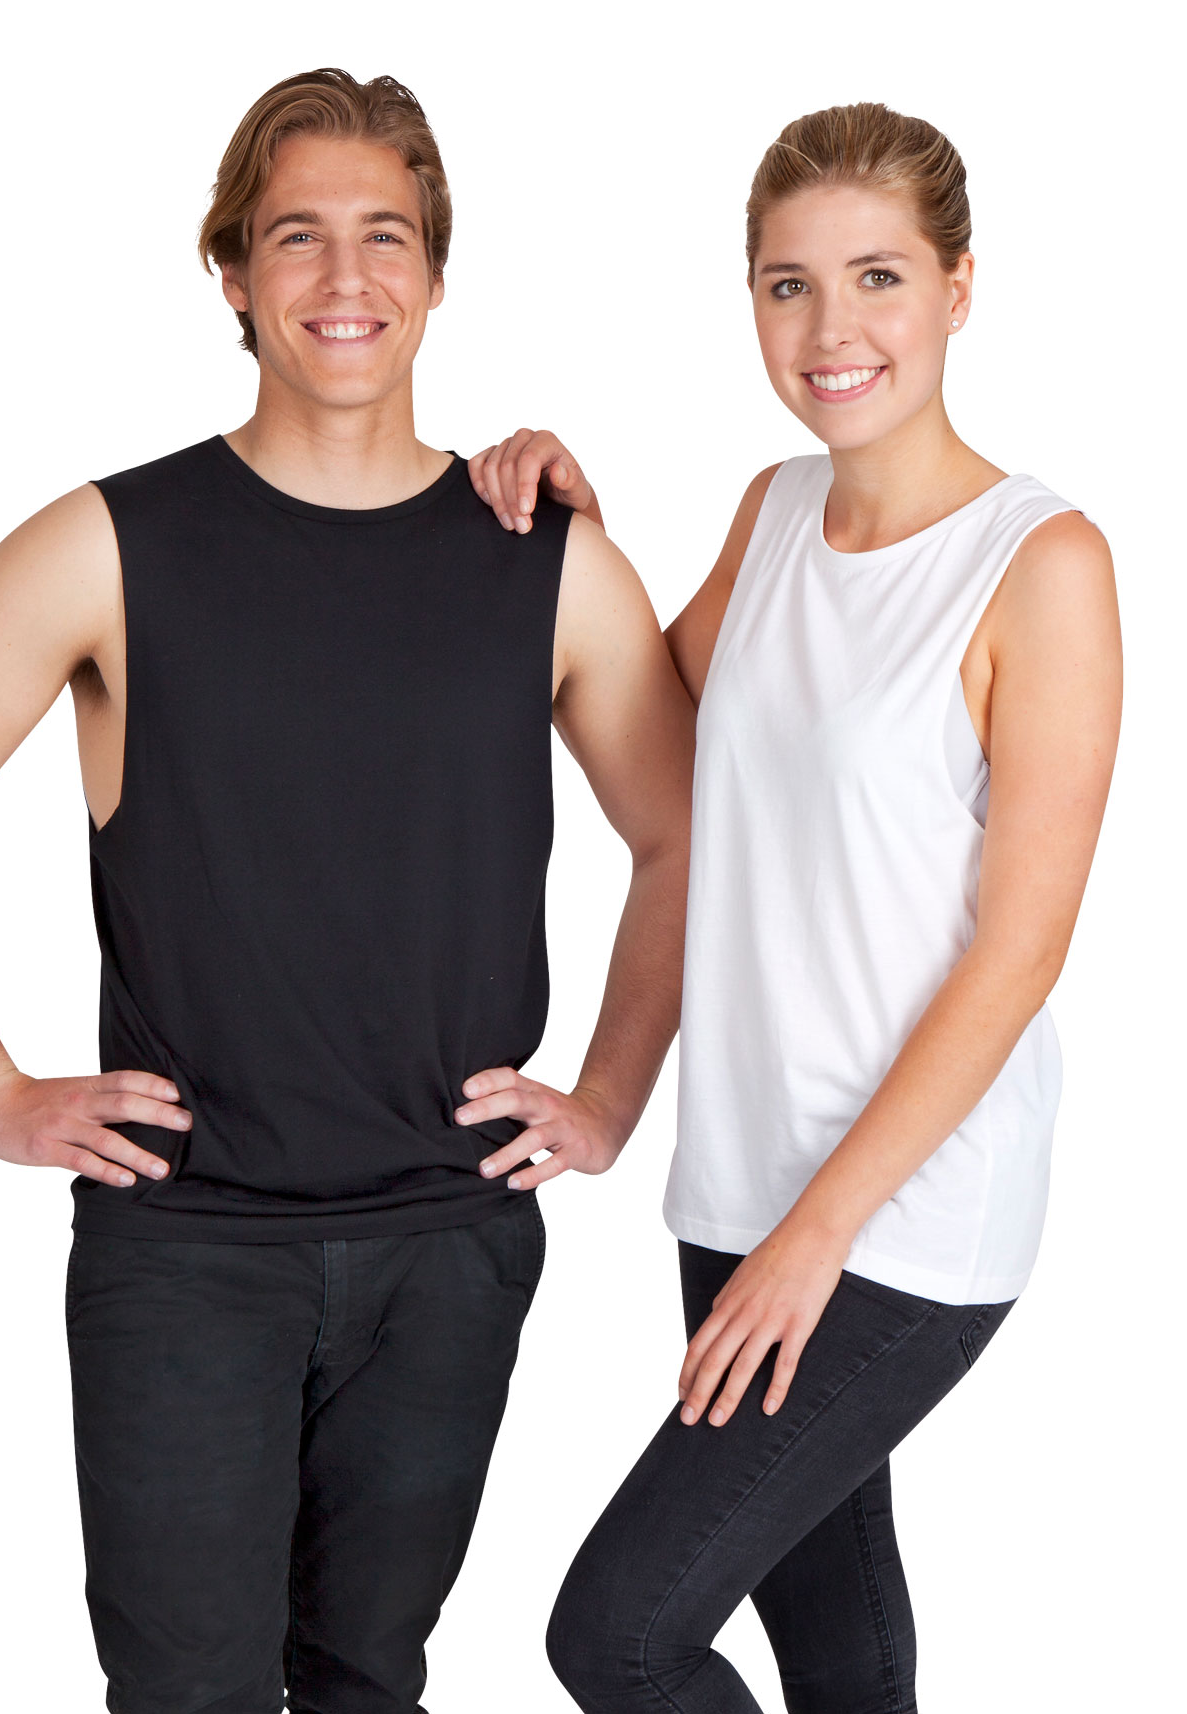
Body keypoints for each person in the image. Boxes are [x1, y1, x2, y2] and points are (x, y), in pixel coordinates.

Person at [0, 69, 695, 1714]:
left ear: (436, 273)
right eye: (297, 236)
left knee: (369, 1679)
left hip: (447, 1243)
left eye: (386, 236)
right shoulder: (107, 543)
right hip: (186, 1249)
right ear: (230, 271)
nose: (345, 278)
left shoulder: (550, 559)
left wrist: (611, 1095)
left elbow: (686, 833)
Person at [471, 101, 1121, 1712]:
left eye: (878, 276)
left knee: (619, 1635)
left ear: (959, 287)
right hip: (741, 1177)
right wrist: (577, 542)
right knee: (836, 1646)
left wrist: (815, 1238)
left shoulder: (1041, 564)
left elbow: (1022, 948)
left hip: (899, 1216)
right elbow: (648, 725)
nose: (833, 328)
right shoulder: (772, 512)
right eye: (789, 285)